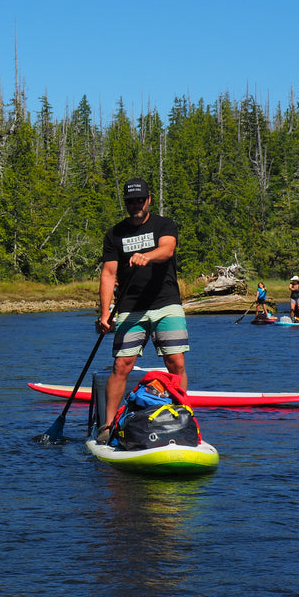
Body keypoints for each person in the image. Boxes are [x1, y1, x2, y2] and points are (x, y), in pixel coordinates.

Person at [96, 177, 189, 443]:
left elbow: (168, 249)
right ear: (126, 203)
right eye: (131, 201)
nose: (136, 204)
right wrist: (105, 313)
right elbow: (108, 274)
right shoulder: (115, 234)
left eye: (140, 199)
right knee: (122, 365)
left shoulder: (164, 224)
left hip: (166, 303)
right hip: (131, 307)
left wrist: (147, 256)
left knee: (176, 363)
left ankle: (180, 416)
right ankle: (108, 425)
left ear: (148, 200)